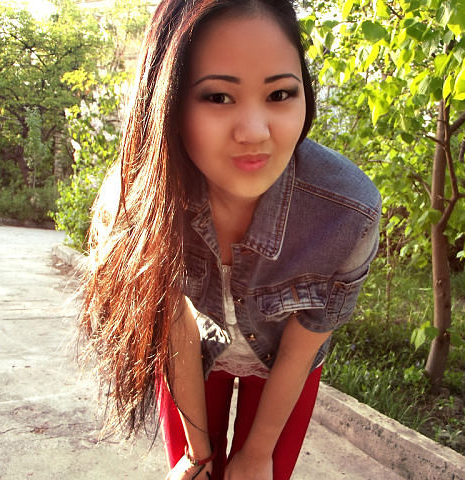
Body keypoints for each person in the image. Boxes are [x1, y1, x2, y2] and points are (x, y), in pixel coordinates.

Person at [78, 1, 381, 479]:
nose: (255, 132)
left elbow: (300, 349)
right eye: (218, 97)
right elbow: (173, 329)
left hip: (284, 365)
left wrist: (257, 453)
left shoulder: (346, 212)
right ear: (167, 102)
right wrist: (198, 454)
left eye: (280, 94)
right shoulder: (138, 203)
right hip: (193, 354)